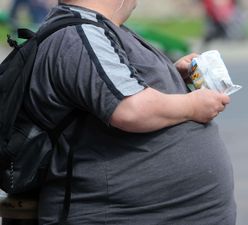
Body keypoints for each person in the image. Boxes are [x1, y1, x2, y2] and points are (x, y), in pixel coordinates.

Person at [25, 0, 236, 224]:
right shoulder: (79, 34)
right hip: (117, 213)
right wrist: (193, 106)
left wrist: (171, 78)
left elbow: (115, 89)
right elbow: (130, 109)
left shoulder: (93, 29)